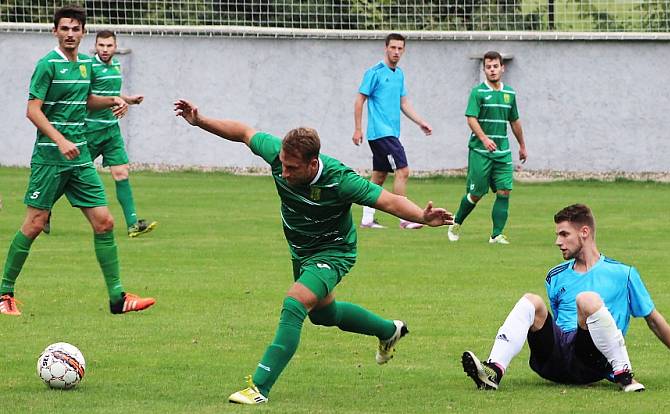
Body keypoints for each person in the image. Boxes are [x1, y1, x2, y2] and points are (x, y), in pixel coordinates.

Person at [173, 99, 453, 405]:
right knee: (323, 314)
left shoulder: (341, 180)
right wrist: (200, 121)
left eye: (292, 168)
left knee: (295, 303)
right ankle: (389, 330)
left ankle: (259, 388)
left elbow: (388, 201)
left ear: (312, 163)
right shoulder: (280, 156)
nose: (284, 172)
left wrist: (421, 217)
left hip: (334, 251)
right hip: (301, 251)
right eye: (282, 164)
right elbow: (243, 132)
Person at [0, 6, 155, 316]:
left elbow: (87, 102)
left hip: (80, 157)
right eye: (65, 28)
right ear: (55, 31)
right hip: (50, 157)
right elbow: (33, 110)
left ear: (83, 32)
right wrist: (60, 140)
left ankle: (117, 298)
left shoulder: (86, 63)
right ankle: (4, 293)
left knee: (105, 222)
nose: (70, 33)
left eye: (75, 29)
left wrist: (114, 100)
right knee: (34, 224)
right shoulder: (48, 65)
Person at [461, 204, 670, 393]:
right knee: (531, 301)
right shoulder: (555, 276)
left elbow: (654, 320)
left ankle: (623, 373)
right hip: (554, 362)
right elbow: (554, 317)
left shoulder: (624, 274)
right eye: (557, 235)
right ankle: (493, 371)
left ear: (584, 232)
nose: (558, 241)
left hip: (591, 362)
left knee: (587, 299)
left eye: (564, 234)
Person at [353, 33, 433, 230]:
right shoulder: (374, 72)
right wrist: (357, 129)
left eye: (400, 48)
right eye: (393, 47)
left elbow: (403, 102)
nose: (396, 52)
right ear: (386, 48)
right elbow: (359, 100)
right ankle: (405, 218)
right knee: (403, 171)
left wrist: (420, 122)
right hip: (380, 133)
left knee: (379, 176)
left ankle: (367, 219)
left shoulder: (399, 74)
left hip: (389, 134)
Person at [447, 51, 527, 245]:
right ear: (484, 70)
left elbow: (514, 120)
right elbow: (471, 118)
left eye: (495, 66)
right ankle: (456, 222)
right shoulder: (478, 92)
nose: (492, 70)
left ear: (502, 68)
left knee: (504, 191)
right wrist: (484, 139)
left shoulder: (509, 93)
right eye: (489, 67)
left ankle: (496, 235)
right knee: (476, 194)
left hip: (503, 152)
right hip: (481, 151)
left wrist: (522, 145)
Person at [85, 30, 157, 237]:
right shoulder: (89, 67)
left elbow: (112, 95)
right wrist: (114, 101)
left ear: (115, 47)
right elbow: (87, 97)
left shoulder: (116, 66)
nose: (105, 49)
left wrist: (129, 100)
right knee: (70, 174)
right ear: (95, 46)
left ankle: (133, 224)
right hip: (90, 130)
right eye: (101, 45)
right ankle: (44, 211)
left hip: (111, 132)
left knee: (122, 173)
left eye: (109, 46)